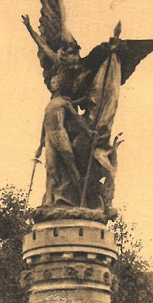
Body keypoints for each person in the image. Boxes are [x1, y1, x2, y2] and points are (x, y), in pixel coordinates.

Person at [36, 74, 96, 208]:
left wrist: (88, 131)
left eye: (55, 82)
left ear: (60, 85)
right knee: (50, 169)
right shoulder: (49, 104)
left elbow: (77, 118)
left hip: (60, 135)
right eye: (51, 82)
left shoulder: (64, 102)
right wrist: (40, 145)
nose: (52, 84)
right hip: (49, 138)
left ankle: (82, 200)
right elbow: (44, 124)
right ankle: (49, 200)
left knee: (71, 167)